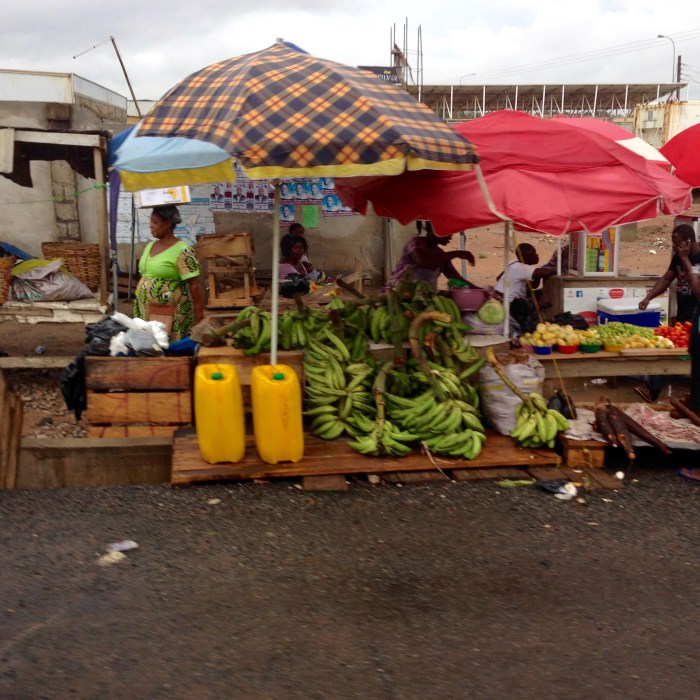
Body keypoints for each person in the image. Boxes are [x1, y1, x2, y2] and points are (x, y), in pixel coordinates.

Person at [635, 224, 700, 402]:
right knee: (671, 349)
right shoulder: (678, 257)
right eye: (673, 242)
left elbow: (697, 292)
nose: (674, 246)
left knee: (679, 351)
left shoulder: (696, 257)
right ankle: (654, 390)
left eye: (677, 242)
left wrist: (686, 259)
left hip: (696, 317)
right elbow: (666, 278)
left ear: (689, 241)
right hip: (683, 315)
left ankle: (653, 390)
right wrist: (648, 298)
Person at [133, 205, 204, 341]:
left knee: (169, 347)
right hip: (146, 312)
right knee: (150, 348)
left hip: (171, 314)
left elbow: (194, 285)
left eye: (155, 222)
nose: (150, 226)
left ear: (168, 223)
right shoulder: (150, 246)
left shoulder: (183, 250)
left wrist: (199, 317)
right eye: (150, 222)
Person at [385, 221, 476, 291]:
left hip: (420, 302)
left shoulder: (441, 255)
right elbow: (423, 261)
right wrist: (457, 253)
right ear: (434, 229)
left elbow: (457, 279)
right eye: (447, 230)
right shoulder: (415, 244)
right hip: (397, 298)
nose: (451, 235)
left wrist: (481, 291)